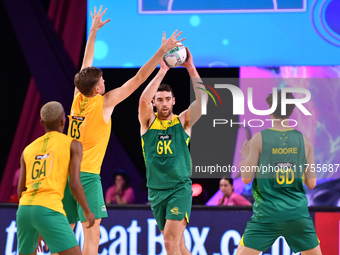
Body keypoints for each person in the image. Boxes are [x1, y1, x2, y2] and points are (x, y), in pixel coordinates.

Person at [62, 5, 185, 255]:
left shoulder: (77, 97)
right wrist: (161, 51)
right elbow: (139, 78)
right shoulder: (104, 103)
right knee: (91, 238)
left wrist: (93, 32)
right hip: (86, 177)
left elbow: (86, 65)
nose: (105, 82)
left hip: (65, 174)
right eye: (103, 81)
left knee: (64, 236)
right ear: (97, 89)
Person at [138, 47, 207, 255]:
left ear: (174, 101)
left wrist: (191, 67)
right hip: (157, 191)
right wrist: (162, 70)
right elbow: (142, 101)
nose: (164, 103)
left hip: (179, 189)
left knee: (169, 243)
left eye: (168, 99)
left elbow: (203, 102)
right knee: (178, 246)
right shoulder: (147, 123)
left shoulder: (183, 121)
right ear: (154, 103)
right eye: (159, 99)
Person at [236, 90, 322, 255]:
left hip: (267, 216)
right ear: (291, 111)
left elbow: (246, 178)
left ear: (269, 110)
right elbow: (312, 183)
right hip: (297, 215)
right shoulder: (305, 141)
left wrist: (247, 158)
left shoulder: (259, 139)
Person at [16, 101, 95, 255]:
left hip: (24, 211)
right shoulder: (72, 144)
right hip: (49, 208)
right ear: (63, 121)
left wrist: (36, 224)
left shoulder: (28, 149)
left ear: (41, 123)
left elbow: (21, 190)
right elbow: (74, 183)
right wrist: (87, 211)